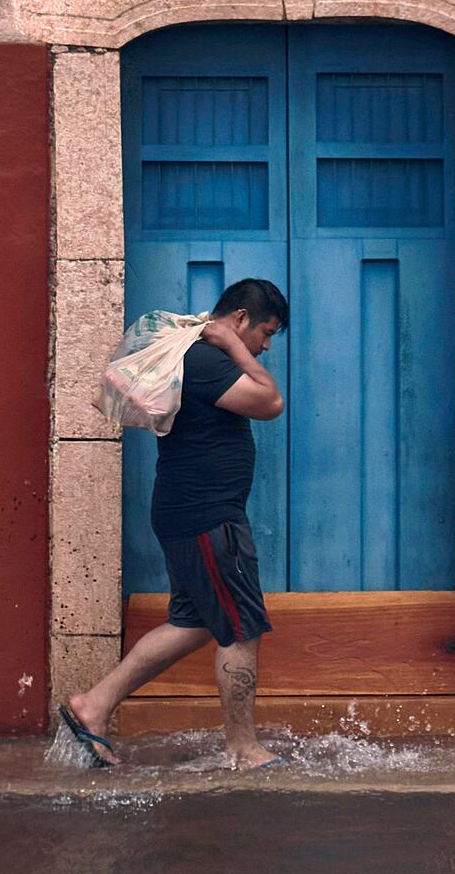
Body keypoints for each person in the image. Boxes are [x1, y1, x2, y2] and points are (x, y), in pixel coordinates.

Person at [58, 278, 289, 770]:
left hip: (190, 513)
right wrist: (232, 346)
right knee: (240, 628)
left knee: (194, 622)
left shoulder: (198, 356)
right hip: (208, 517)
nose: (266, 346)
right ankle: (243, 749)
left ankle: (94, 704)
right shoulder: (205, 359)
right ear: (240, 318)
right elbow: (270, 402)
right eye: (265, 333)